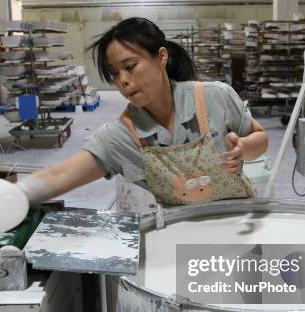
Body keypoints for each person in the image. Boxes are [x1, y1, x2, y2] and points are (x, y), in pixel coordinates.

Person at [19, 17, 268, 207]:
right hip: (179, 238)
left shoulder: (214, 97)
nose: (123, 81)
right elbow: (59, 174)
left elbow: (261, 139)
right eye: (114, 74)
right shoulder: (121, 136)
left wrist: (243, 149)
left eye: (130, 66)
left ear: (161, 57)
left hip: (236, 221)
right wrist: (11, 196)